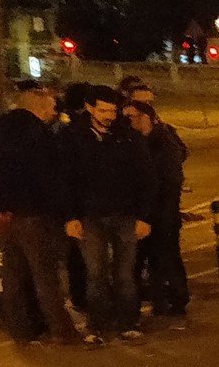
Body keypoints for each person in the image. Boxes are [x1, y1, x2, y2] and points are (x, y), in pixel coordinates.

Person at [0, 79, 80, 343]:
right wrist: (62, 212)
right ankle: (62, 330)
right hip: (35, 214)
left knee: (14, 273)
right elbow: (49, 177)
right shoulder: (39, 134)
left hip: (7, 214)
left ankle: (20, 328)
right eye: (51, 106)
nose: (55, 112)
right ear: (38, 106)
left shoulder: (1, 128)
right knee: (45, 275)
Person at [63, 86, 156, 344]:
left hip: (125, 215)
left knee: (126, 273)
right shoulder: (73, 138)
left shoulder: (128, 137)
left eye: (112, 110)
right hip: (89, 217)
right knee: (96, 273)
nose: (109, 116)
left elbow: (146, 179)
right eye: (103, 110)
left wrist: (144, 216)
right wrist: (71, 216)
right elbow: (66, 180)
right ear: (90, 108)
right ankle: (98, 325)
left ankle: (128, 321)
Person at [125, 98, 189, 321]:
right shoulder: (135, 142)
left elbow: (169, 182)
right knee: (149, 260)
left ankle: (177, 300)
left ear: (144, 118)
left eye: (130, 117)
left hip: (162, 213)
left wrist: (161, 212)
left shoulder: (163, 143)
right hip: (146, 212)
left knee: (166, 257)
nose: (126, 122)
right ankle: (160, 300)